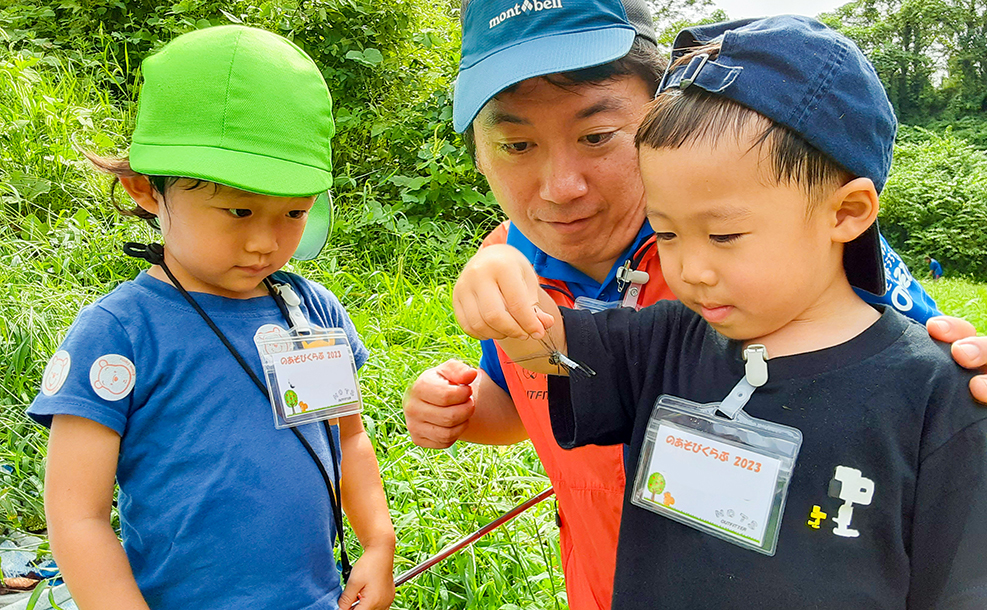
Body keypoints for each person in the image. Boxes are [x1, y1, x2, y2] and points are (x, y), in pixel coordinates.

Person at [404, 1, 987, 608]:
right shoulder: (514, 260)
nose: (560, 187)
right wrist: (463, 406)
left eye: (597, 136)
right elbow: (529, 387)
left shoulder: (793, 241)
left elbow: (916, 369)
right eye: (516, 144)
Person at [27, 26, 395, 610]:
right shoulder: (121, 334)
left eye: (294, 212)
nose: (265, 244)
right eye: (239, 210)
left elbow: (347, 437)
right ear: (147, 189)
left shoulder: (308, 312)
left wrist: (377, 543)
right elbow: (78, 516)